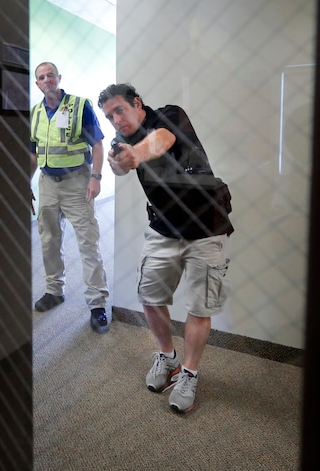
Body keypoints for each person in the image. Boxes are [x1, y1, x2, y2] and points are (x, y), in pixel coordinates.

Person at [97, 83, 234, 412]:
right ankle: (167, 356)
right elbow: (119, 165)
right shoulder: (121, 141)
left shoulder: (170, 115)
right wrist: (118, 163)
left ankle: (189, 372)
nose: (115, 119)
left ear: (138, 103)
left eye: (119, 110)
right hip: (163, 228)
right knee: (149, 297)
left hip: (206, 227)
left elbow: (163, 140)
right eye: (108, 116)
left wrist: (137, 154)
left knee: (200, 307)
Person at [30, 62, 110, 334]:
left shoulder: (78, 106)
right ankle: (55, 290)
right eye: (41, 77)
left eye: (50, 75)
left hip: (78, 182)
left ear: (58, 78)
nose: (46, 80)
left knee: (88, 241)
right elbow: (34, 152)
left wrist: (96, 177)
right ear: (37, 84)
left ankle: (97, 305)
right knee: (49, 238)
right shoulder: (36, 112)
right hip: (48, 183)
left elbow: (97, 144)